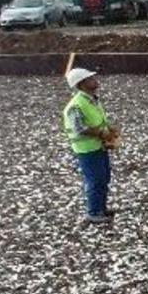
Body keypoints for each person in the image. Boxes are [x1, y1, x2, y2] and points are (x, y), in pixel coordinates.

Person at [62, 68, 119, 223]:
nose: (95, 79)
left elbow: (98, 119)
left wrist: (109, 128)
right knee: (94, 180)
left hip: (99, 146)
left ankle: (101, 208)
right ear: (81, 84)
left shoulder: (92, 99)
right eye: (90, 78)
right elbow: (79, 129)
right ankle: (93, 212)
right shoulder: (76, 105)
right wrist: (102, 133)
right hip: (87, 150)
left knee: (103, 178)